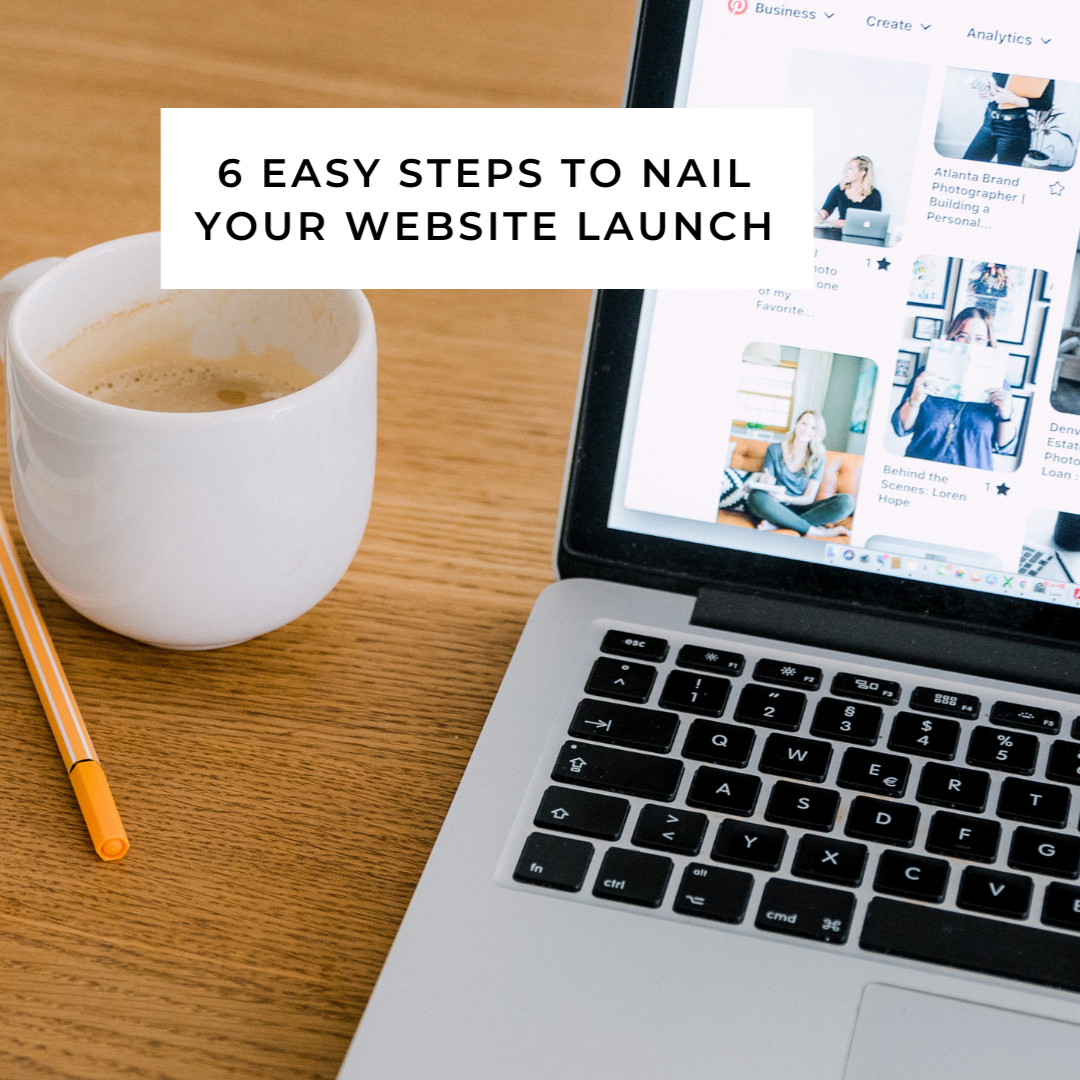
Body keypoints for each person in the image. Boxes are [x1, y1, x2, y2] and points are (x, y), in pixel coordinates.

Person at [891, 307, 1015, 470]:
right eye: (963, 337)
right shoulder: (926, 375)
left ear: (988, 342)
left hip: (971, 477)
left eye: (979, 339)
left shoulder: (999, 385)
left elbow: (1005, 447)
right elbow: (901, 429)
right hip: (919, 473)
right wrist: (915, 399)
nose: (970, 344)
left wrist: (1006, 415)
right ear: (952, 337)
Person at [746, 410, 855, 538]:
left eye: (813, 428)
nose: (807, 430)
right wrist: (765, 481)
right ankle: (815, 531)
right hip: (774, 507)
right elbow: (767, 481)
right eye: (804, 423)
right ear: (797, 424)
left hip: (801, 507)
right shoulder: (774, 449)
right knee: (756, 496)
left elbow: (808, 498)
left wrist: (786, 498)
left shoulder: (818, 458)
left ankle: (779, 524)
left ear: (817, 433)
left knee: (847, 502)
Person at [963, 74, 1053, 167]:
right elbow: (998, 89)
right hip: (989, 123)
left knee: (1007, 173)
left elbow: (1046, 103)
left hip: (1014, 129)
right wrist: (988, 92)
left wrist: (1014, 100)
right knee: (968, 167)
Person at [815, 156, 882, 227]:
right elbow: (826, 209)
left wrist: (847, 223)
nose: (845, 171)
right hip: (839, 233)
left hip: (862, 235)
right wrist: (822, 215)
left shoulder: (874, 195)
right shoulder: (839, 189)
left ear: (862, 173)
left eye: (850, 168)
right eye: (846, 168)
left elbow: (873, 223)